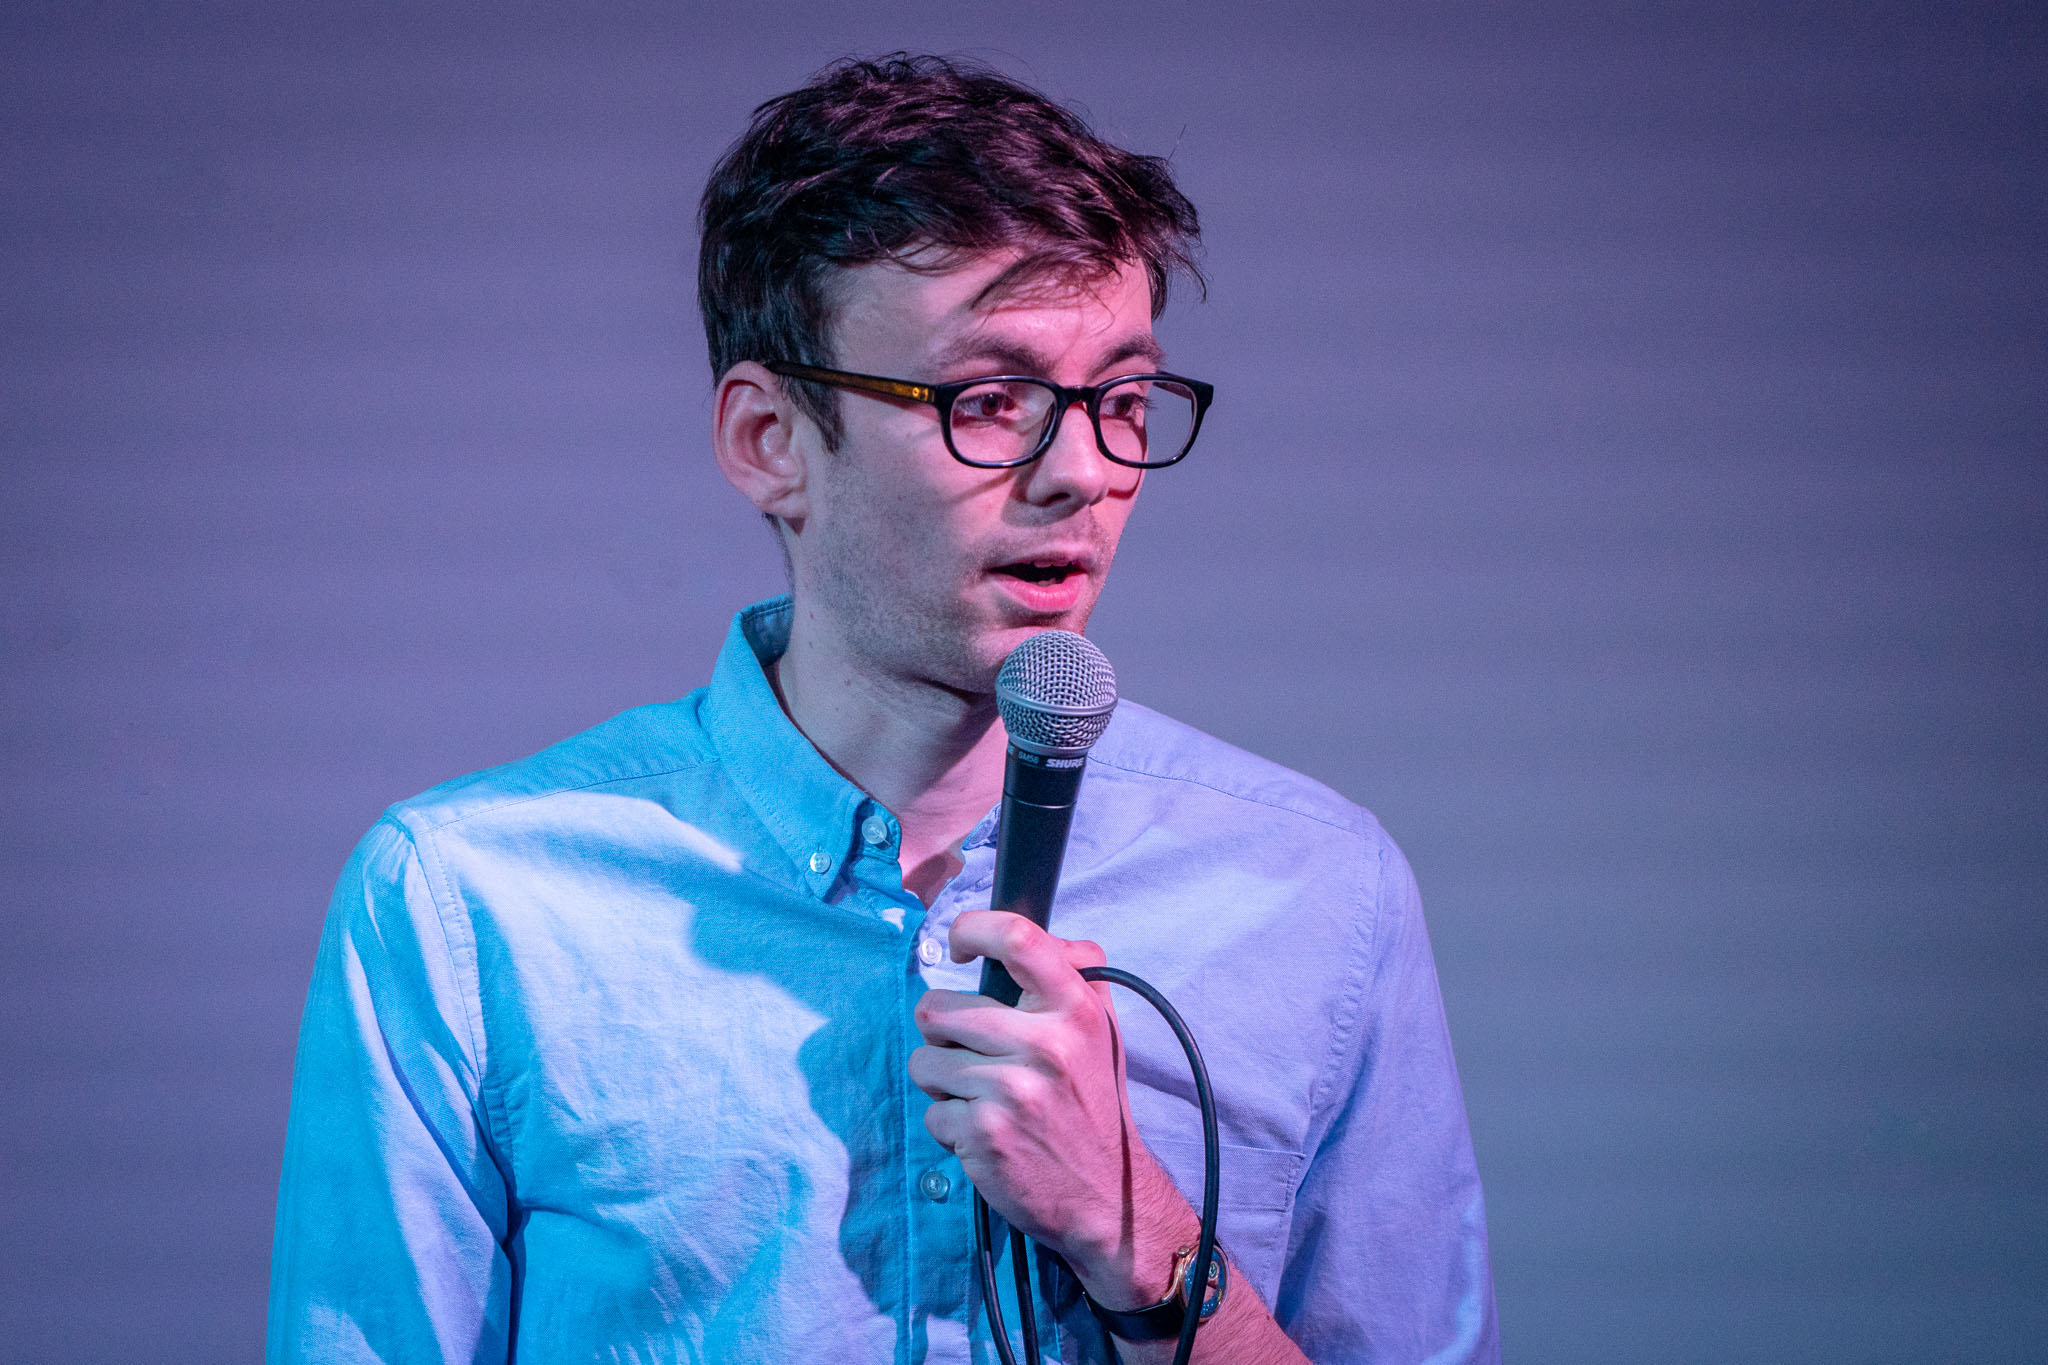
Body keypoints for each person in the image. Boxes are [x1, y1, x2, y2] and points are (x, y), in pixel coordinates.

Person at [267, 54, 1497, 1364]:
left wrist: (1142, 1239)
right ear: (769, 442)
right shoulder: (471, 905)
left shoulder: (1317, 889)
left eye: (1122, 401)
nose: (1079, 472)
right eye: (989, 401)